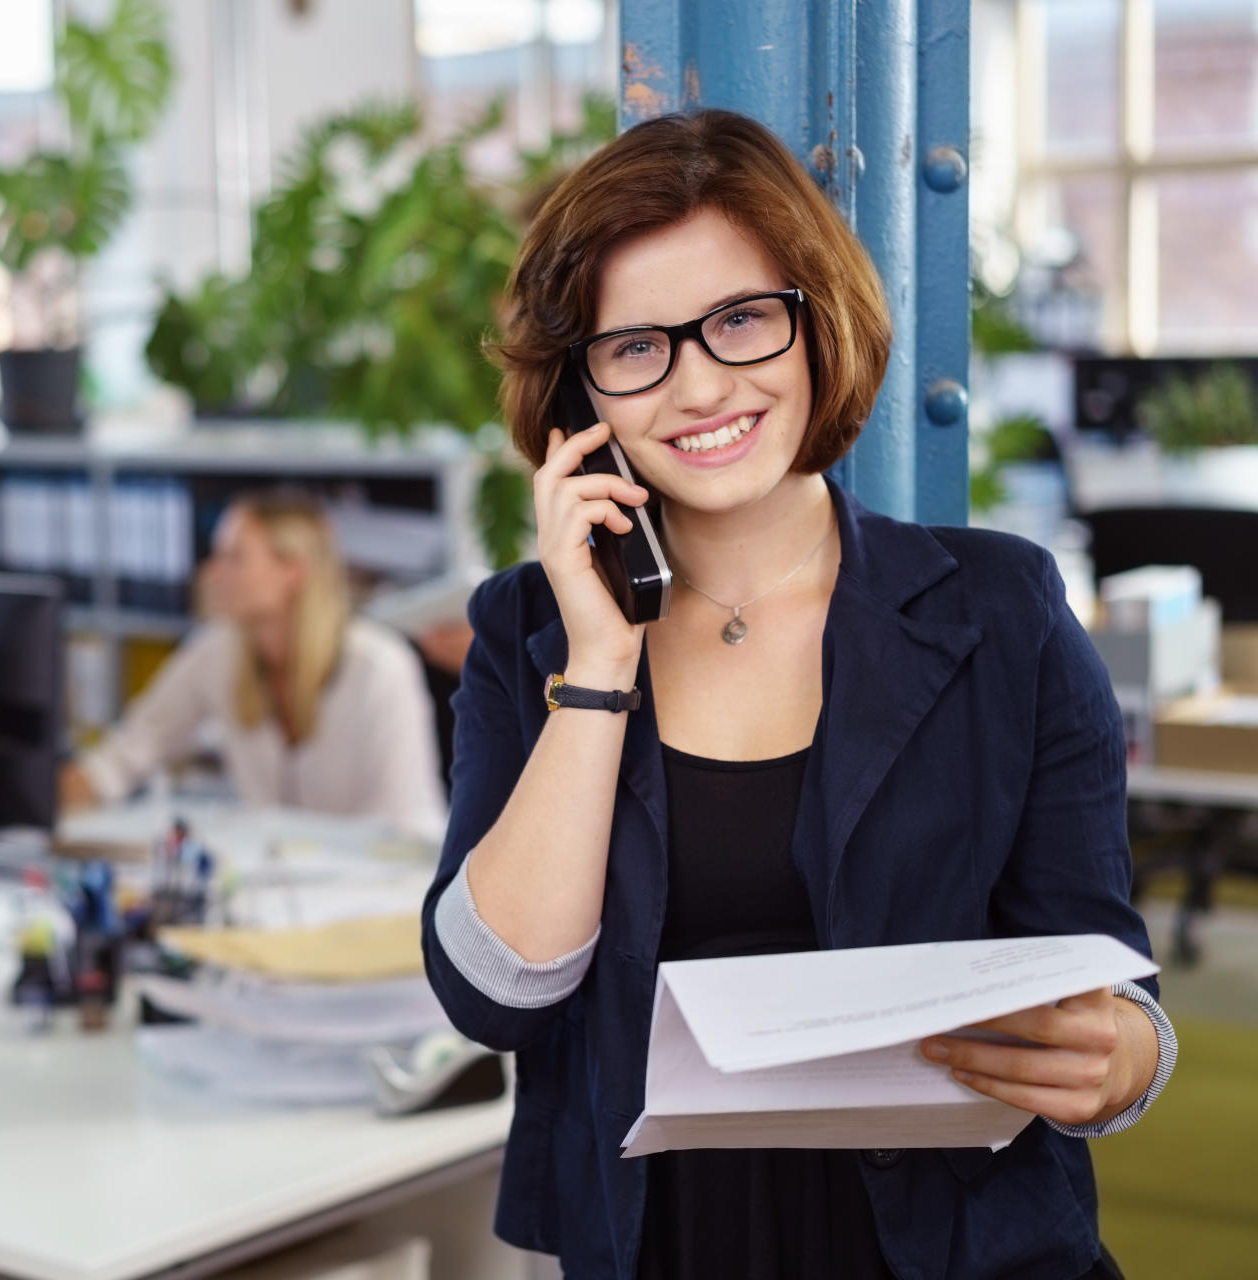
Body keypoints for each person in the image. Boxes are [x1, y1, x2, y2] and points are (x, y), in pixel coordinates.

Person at [423, 110, 1175, 1280]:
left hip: (960, 1245)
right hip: (664, 1244)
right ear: (581, 402)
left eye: (739, 320)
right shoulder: (529, 633)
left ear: (814, 322)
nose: (699, 383)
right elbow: (497, 994)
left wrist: (1126, 1061)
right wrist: (603, 661)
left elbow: (1110, 976)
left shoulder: (1001, 609)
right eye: (636, 347)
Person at [61, 489, 448, 841]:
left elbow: (407, 826)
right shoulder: (218, 650)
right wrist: (34, 798)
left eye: (235, 558)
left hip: (379, 891)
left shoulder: (379, 667)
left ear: (292, 571)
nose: (212, 573)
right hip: (275, 892)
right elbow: (127, 755)